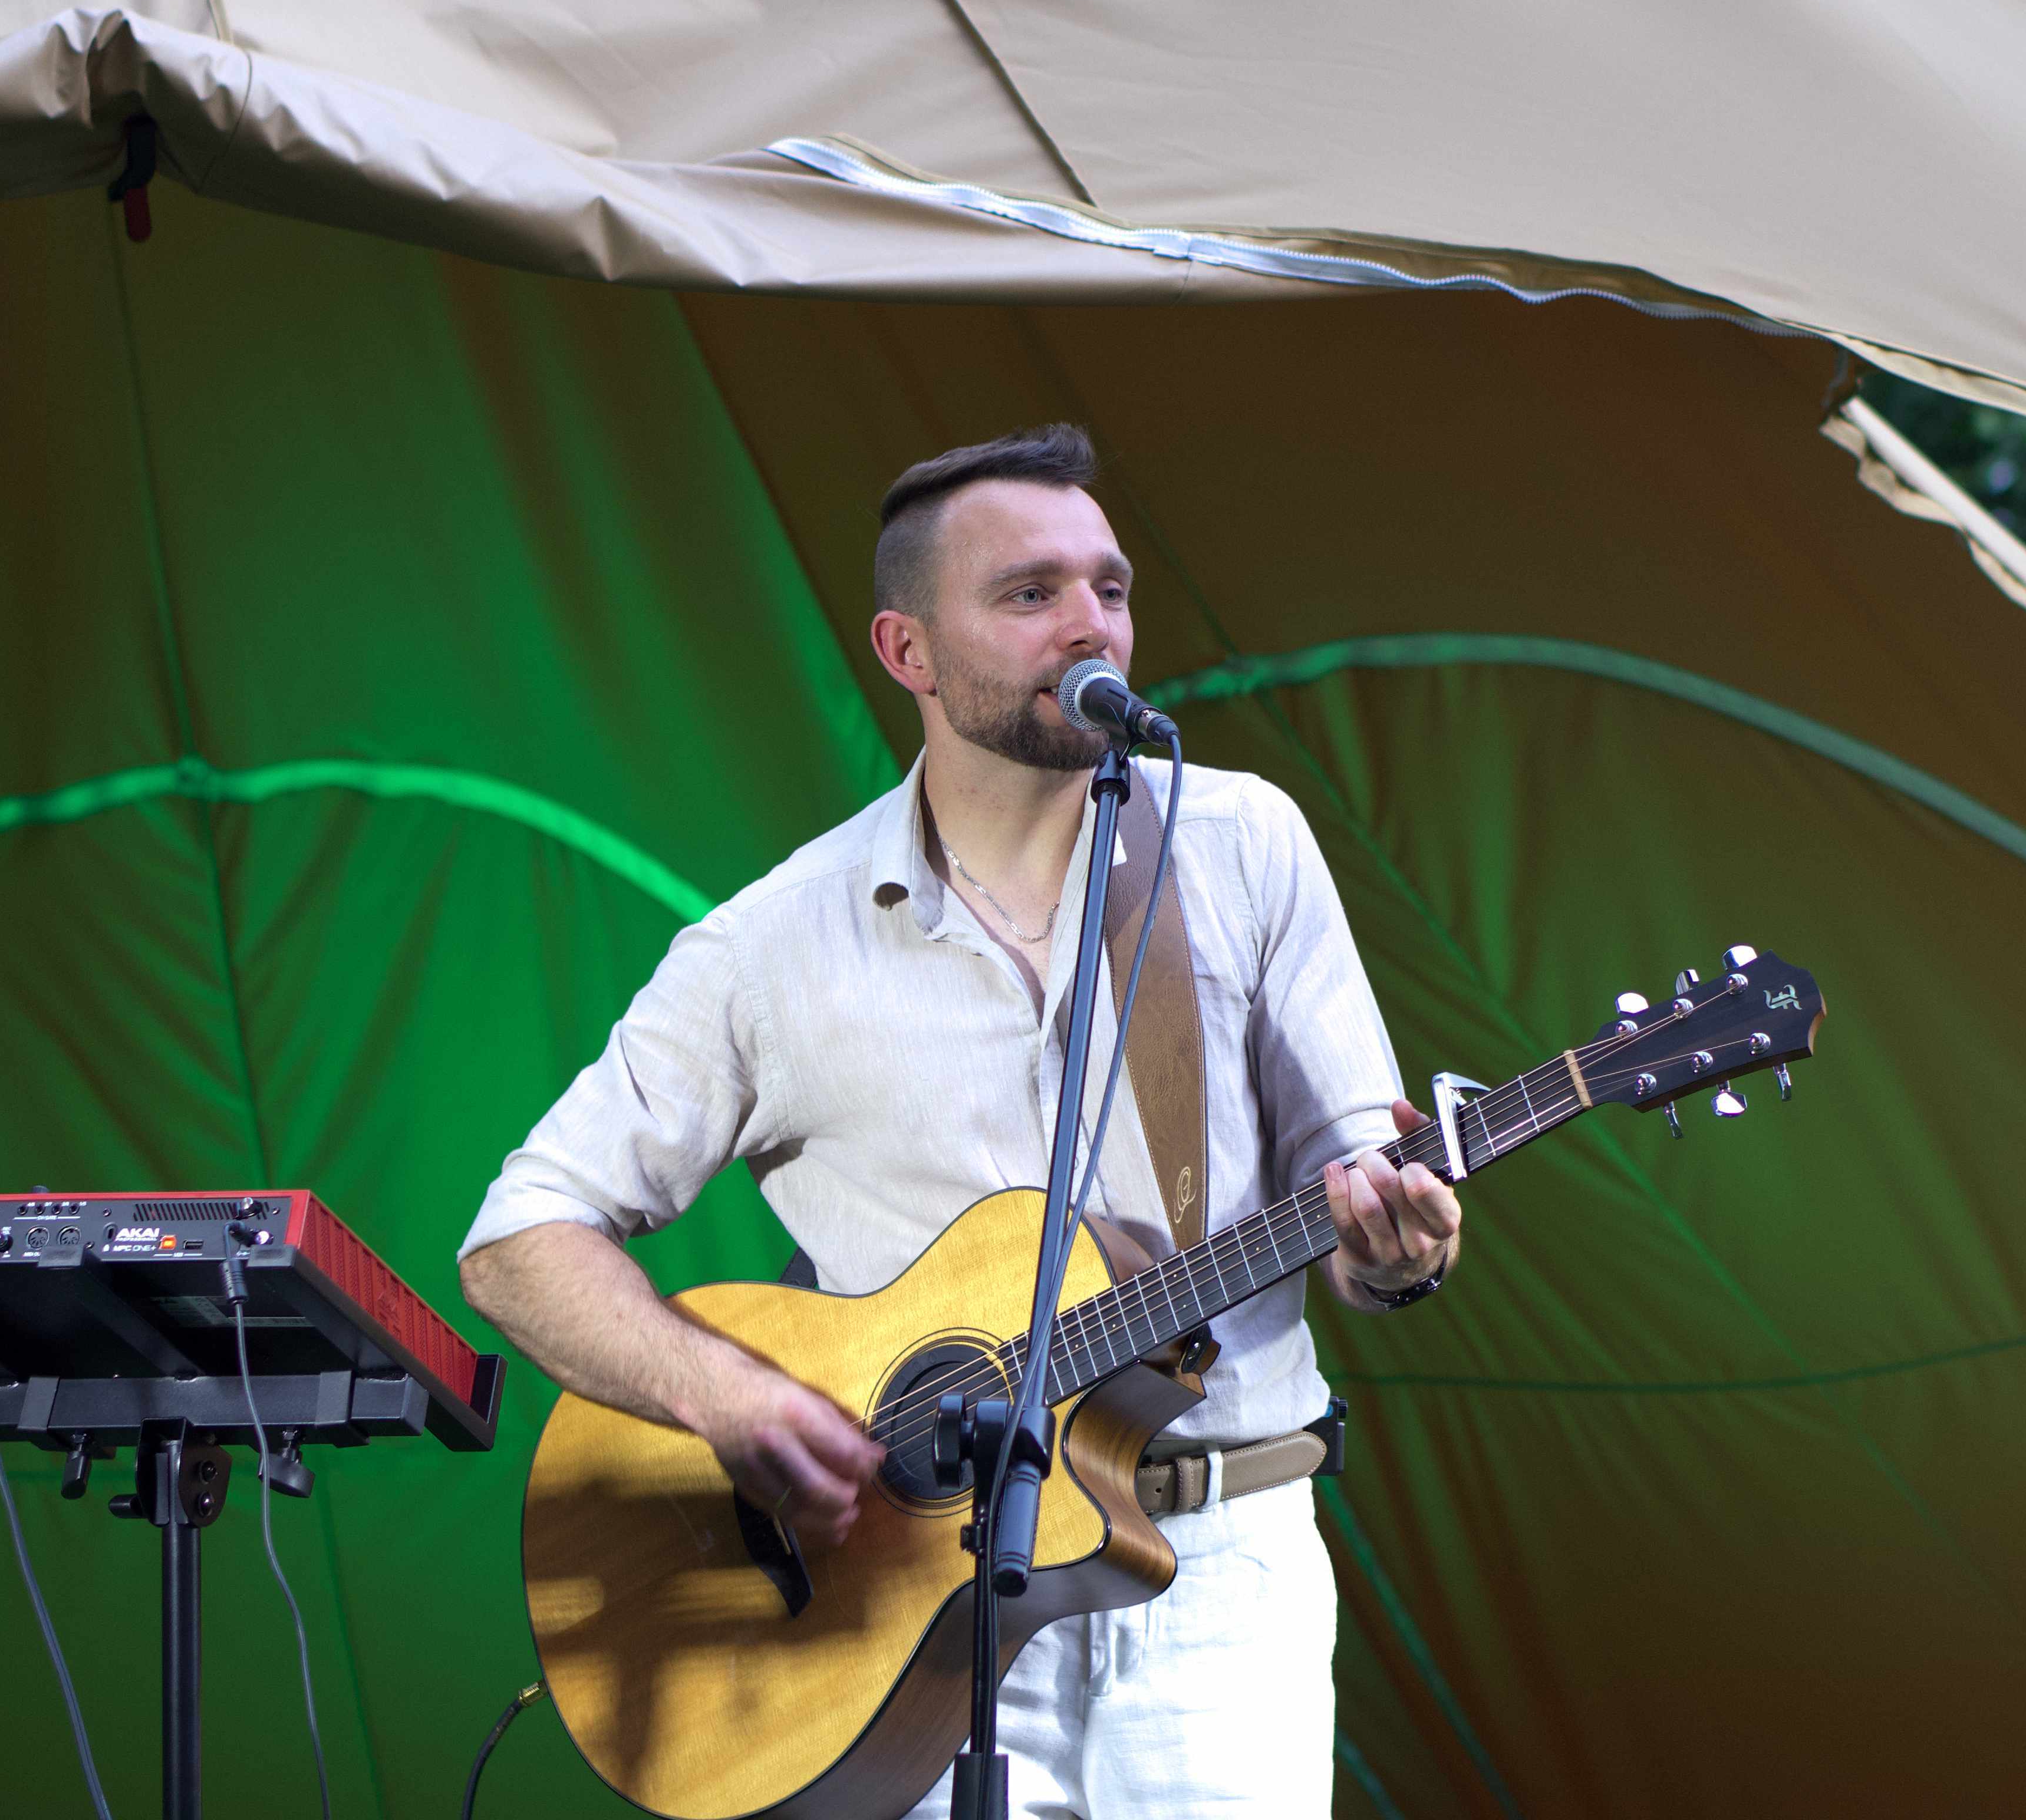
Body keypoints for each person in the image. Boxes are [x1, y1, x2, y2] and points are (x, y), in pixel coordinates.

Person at [459, 422, 1464, 1818]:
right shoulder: (770, 944)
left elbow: (1357, 1197)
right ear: (908, 650)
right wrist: (726, 1397)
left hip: (1221, 1582)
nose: (1090, 623)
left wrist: (1397, 1249)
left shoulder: (1242, 843)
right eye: (1029, 592)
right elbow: (519, 1236)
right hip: (891, 1603)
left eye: (1109, 586)